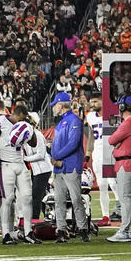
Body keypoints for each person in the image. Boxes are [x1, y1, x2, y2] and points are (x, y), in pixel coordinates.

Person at [0, 102, 39, 245]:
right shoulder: (0, 122)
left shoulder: (25, 125)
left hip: (20, 163)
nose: (21, 123)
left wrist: (31, 128)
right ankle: (6, 234)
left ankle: (29, 232)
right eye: (21, 120)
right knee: (8, 199)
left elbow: (34, 144)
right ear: (14, 115)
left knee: (27, 198)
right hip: (6, 164)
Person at [50, 92, 89, 243]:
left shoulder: (74, 121)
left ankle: (83, 229)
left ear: (60, 105)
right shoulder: (64, 122)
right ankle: (62, 230)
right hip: (61, 166)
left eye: (55, 105)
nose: (54, 108)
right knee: (59, 200)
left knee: (75, 199)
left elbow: (73, 144)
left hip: (70, 165)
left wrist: (56, 157)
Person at [107, 95, 131, 243]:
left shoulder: (127, 123)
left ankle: (125, 230)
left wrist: (118, 144)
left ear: (122, 107)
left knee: (126, 198)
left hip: (126, 164)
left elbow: (111, 140)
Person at [85, 93, 117, 226]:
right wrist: (87, 155)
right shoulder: (90, 116)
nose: (92, 104)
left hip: (110, 152)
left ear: (103, 102)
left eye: (95, 101)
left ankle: (123, 211)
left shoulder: (112, 115)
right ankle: (106, 216)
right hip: (97, 153)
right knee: (102, 186)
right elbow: (91, 137)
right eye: (91, 102)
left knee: (114, 183)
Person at [24, 114, 52, 222]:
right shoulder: (27, 136)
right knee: (41, 195)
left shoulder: (38, 135)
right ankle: (48, 216)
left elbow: (41, 154)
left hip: (43, 170)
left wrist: (26, 158)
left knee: (36, 196)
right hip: (36, 170)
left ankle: (34, 220)